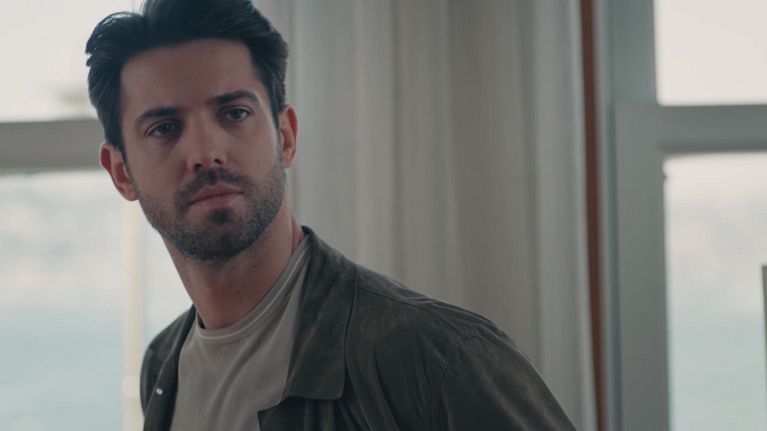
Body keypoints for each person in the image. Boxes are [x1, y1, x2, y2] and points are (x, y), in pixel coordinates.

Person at [86, 0, 575, 429]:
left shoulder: (438, 357)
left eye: (234, 113)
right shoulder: (162, 367)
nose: (205, 152)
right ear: (121, 173)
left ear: (286, 137)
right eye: (164, 128)